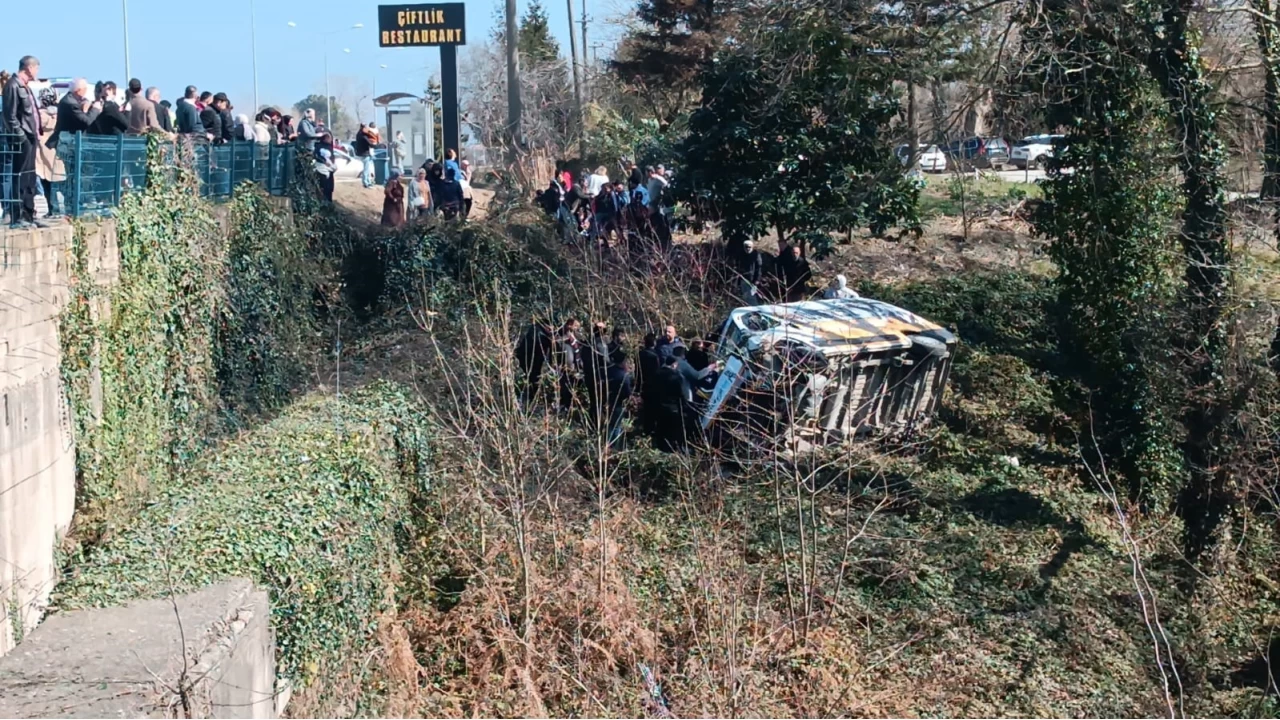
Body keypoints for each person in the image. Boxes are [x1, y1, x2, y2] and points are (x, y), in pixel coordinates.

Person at [3, 56, 44, 228]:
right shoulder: (13, 85)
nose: (37, 72)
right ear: (29, 67)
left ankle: (28, 213)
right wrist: (21, 136)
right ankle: (18, 215)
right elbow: (9, 116)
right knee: (20, 176)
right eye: (36, 68)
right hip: (22, 138)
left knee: (30, 177)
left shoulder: (25, 87)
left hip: (31, 136)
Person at [47, 78, 99, 150]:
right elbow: (87, 121)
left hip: (69, 142)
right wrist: (95, 109)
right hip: (66, 144)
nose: (86, 91)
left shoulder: (72, 100)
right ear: (78, 90)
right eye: (85, 89)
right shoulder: (71, 103)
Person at [515, 319, 555, 406]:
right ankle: (532, 398)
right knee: (533, 378)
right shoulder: (537, 333)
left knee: (532, 378)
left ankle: (532, 396)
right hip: (529, 359)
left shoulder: (536, 330)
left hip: (531, 358)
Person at [605, 355, 634, 447]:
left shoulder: (608, 371)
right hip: (618, 403)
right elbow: (627, 393)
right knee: (616, 425)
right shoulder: (623, 376)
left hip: (607, 400)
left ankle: (608, 444)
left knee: (610, 424)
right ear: (623, 363)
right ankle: (613, 445)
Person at [314, 132, 337, 202]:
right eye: (329, 138)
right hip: (321, 168)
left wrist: (332, 164)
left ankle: (329, 200)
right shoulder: (318, 146)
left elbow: (332, 157)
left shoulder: (330, 147)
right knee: (323, 186)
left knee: (329, 187)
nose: (330, 140)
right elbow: (316, 156)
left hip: (330, 169)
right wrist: (324, 161)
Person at [354, 123, 376, 188]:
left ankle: (367, 181)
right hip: (365, 154)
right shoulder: (363, 136)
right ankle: (366, 183)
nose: (367, 129)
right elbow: (370, 144)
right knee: (366, 169)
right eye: (366, 128)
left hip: (361, 153)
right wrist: (377, 145)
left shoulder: (358, 134)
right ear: (363, 128)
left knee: (367, 169)